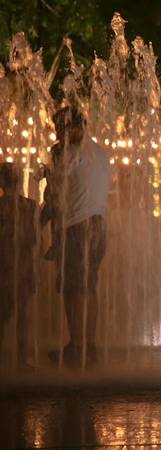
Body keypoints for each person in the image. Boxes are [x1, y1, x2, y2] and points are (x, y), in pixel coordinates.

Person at [45, 106, 112, 367]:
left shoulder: (71, 154)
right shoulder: (99, 152)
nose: (59, 134)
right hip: (98, 225)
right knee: (88, 288)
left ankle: (76, 347)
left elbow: (56, 192)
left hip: (77, 227)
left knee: (73, 289)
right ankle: (89, 345)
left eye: (62, 128)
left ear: (75, 127)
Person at [0, 163, 37, 370]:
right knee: (23, 315)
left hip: (4, 264)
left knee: (2, 315)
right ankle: (22, 360)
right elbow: (32, 238)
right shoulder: (29, 206)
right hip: (23, 264)